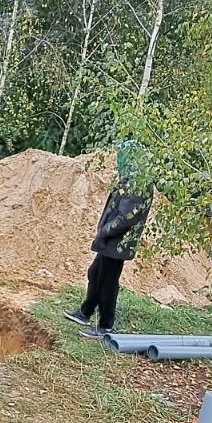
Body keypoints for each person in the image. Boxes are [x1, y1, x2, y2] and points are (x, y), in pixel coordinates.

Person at [64, 142, 153, 335]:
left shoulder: (139, 183)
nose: (119, 160)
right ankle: (85, 312)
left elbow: (127, 217)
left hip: (118, 243)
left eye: (123, 156)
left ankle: (105, 325)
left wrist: (105, 231)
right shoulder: (130, 179)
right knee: (95, 273)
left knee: (107, 282)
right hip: (112, 241)